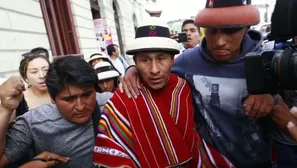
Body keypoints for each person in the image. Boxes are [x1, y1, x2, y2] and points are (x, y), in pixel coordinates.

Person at [120, 1, 277, 167]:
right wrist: (133, 70)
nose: (220, 41)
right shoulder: (188, 61)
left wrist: (270, 95)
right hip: (209, 161)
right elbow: (158, 66)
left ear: (246, 29)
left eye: (230, 31)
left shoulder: (268, 60)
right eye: (212, 31)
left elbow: (287, 109)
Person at [93, 17, 233, 168]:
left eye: (162, 58)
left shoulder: (183, 88)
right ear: (135, 61)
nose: (154, 70)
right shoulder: (122, 98)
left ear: (173, 59)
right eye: (145, 60)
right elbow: (113, 148)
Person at [0, 56, 113, 168]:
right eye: (69, 99)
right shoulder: (34, 122)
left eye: (87, 95)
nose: (80, 107)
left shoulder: (112, 104)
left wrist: (130, 73)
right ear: (53, 98)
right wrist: (5, 109)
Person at [16, 53, 51, 117]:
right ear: (25, 77)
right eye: (34, 72)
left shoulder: (61, 92)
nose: (42, 76)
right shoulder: (19, 98)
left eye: (46, 70)